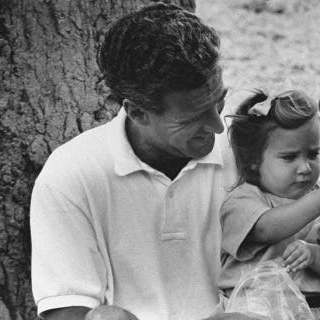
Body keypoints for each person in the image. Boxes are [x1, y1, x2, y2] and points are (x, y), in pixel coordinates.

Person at [30, 3, 246, 319]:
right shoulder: (71, 174)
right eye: (193, 117)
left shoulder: (248, 153)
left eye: (219, 102)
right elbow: (66, 308)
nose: (218, 126)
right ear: (137, 112)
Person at [218, 90, 320, 319]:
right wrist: (315, 204)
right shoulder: (243, 199)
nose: (305, 167)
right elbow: (264, 229)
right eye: (289, 157)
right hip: (253, 308)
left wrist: (315, 255)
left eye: (313, 154)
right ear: (253, 161)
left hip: (312, 309)